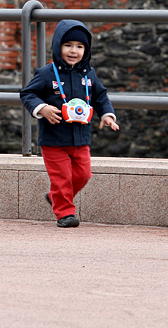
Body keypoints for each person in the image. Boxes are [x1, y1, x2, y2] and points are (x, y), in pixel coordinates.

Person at [20, 20, 119, 227]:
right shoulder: (47, 73)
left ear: (86, 50)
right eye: (68, 45)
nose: (74, 51)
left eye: (80, 47)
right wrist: (42, 108)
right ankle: (65, 213)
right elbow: (28, 94)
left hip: (80, 137)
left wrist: (107, 114)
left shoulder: (88, 74)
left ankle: (55, 196)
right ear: (58, 47)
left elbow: (100, 96)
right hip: (53, 139)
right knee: (62, 178)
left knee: (83, 174)